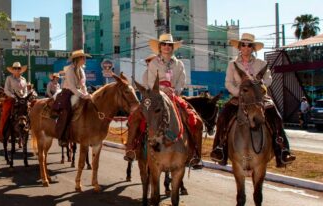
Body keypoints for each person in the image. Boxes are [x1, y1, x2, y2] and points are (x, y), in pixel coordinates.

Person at [210, 33, 296, 167]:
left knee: (276, 117)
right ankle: (219, 149)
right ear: (239, 47)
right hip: (239, 96)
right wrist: (239, 93)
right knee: (222, 118)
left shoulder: (262, 64)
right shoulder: (232, 64)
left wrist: (259, 86)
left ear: (253, 48)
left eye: (249, 45)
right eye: (243, 44)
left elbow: (268, 79)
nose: (246, 47)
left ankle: (283, 151)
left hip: (259, 97)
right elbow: (228, 83)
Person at [125, 34, 203, 169]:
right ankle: (132, 148)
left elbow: (181, 81)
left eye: (169, 45)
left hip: (173, 96)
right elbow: (149, 82)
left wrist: (176, 91)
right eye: (164, 44)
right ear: (160, 47)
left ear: (173, 47)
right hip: (155, 97)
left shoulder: (179, 64)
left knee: (193, 119)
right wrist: (162, 90)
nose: (167, 47)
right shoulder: (154, 62)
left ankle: (195, 155)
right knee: (135, 117)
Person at [54, 49, 91, 146]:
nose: (85, 59)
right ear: (77, 59)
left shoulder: (81, 70)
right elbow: (71, 86)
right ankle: (62, 136)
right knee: (67, 110)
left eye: (85, 57)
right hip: (68, 93)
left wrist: (86, 94)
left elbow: (83, 85)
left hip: (78, 92)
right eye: (83, 57)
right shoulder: (70, 70)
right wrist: (83, 95)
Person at [0, 62, 28, 141]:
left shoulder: (23, 79)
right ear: (13, 70)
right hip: (11, 98)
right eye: (15, 68)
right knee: (5, 113)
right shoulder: (9, 78)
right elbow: (6, 90)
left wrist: (23, 97)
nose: (17, 70)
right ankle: (1, 132)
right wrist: (14, 96)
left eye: (18, 68)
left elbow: (25, 90)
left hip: (22, 99)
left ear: (20, 70)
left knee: (29, 110)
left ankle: (28, 128)